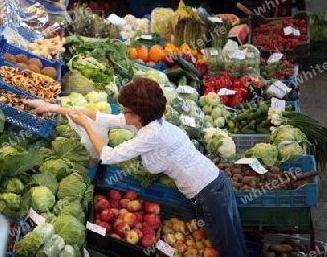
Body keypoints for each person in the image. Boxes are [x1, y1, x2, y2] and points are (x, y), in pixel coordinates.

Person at [27, 77, 249, 257]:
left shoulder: (151, 135)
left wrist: (86, 126)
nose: (122, 112)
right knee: (233, 242)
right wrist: (49, 107)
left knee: (227, 247)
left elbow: (108, 155)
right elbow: (101, 117)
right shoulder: (151, 123)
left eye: (125, 109)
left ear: (138, 114)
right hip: (216, 183)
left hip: (209, 193)